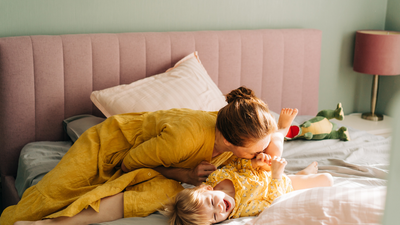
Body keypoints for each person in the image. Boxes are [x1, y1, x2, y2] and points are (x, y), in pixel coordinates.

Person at [2, 86, 295, 225]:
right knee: (54, 193)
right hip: (115, 146)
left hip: (161, 164)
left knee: (158, 196)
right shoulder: (185, 138)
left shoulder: (234, 138)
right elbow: (130, 162)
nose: (261, 154)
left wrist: (279, 132)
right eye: (257, 150)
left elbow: (271, 151)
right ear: (233, 142)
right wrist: (186, 175)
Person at [163, 155, 333, 225]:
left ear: (208, 188)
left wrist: (256, 163)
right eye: (215, 217)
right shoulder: (241, 209)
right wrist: (276, 176)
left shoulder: (216, 177)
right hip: (283, 184)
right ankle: (303, 174)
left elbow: (237, 165)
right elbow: (272, 201)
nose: (220, 208)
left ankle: (283, 130)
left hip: (265, 171)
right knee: (327, 180)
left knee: (275, 142)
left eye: (212, 202)